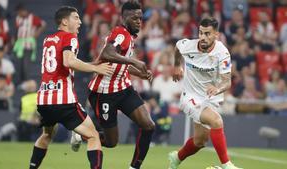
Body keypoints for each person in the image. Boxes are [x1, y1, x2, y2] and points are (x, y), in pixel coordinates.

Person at [71, 1, 155, 169]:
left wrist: (141, 73)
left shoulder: (130, 36)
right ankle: (81, 135)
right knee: (111, 142)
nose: (139, 21)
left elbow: (120, 64)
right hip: (104, 93)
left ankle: (134, 167)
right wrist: (135, 61)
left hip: (124, 89)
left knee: (148, 125)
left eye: (140, 18)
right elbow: (107, 53)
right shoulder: (120, 33)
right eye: (135, 18)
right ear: (124, 18)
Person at [28, 6, 113, 169]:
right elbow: (69, 61)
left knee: (46, 135)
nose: (80, 22)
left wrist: (90, 64)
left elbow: (63, 62)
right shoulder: (70, 37)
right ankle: (78, 137)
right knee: (94, 136)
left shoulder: (48, 39)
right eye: (76, 18)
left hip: (44, 100)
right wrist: (96, 68)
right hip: (63, 100)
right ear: (65, 21)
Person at [168, 17, 242, 169]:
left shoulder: (222, 53)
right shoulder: (188, 45)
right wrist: (177, 66)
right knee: (217, 121)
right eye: (201, 32)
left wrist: (218, 89)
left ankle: (176, 158)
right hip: (190, 97)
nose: (202, 37)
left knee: (200, 141)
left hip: (210, 98)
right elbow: (177, 47)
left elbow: (227, 81)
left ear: (216, 34)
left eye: (207, 34)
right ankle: (227, 165)